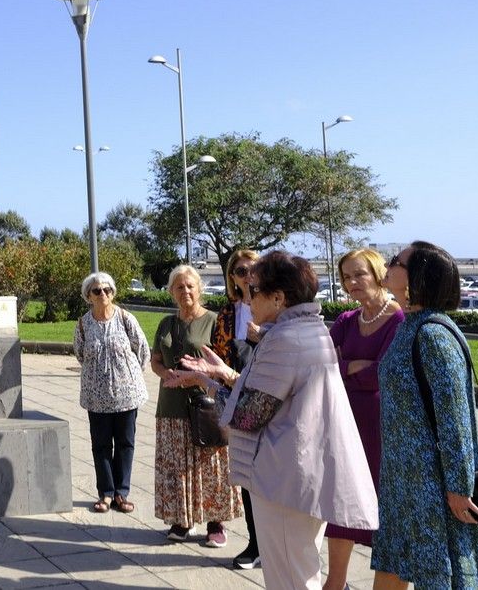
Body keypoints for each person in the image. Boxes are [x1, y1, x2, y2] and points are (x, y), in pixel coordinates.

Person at [176, 251, 377, 590]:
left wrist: (210, 386)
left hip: (284, 479)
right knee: (301, 570)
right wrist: (216, 378)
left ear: (279, 297)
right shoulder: (309, 330)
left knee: (290, 579)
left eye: (253, 289)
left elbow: (249, 415)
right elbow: (267, 396)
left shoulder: (285, 340)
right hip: (298, 474)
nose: (246, 296)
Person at [371, 242, 478, 589]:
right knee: (393, 565)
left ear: (418, 278)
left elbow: (454, 419)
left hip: (431, 485)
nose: (389, 264)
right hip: (403, 480)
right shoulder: (409, 325)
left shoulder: (433, 334)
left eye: (397, 261)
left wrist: (458, 487)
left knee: (441, 576)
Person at [323, 248, 404, 590]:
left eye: (359, 274)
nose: (352, 282)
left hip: (382, 431)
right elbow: (321, 366)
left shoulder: (400, 320)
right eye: (346, 277)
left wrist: (349, 369)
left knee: (381, 509)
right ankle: (335, 582)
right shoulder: (344, 321)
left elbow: (384, 375)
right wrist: (350, 368)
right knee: (340, 505)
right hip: (344, 425)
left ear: (377, 273)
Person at [149, 264, 242, 547]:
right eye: (179, 286)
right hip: (171, 405)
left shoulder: (214, 321)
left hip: (206, 403)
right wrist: (165, 373)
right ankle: (182, 519)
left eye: (190, 285)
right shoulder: (167, 323)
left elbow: (225, 363)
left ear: (199, 288)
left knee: (211, 465)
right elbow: (155, 359)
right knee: (177, 466)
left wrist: (198, 377)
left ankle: (216, 522)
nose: (185, 291)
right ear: (171, 292)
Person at [72, 272, 150, 515]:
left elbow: (143, 350)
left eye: (107, 290)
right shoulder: (83, 324)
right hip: (97, 396)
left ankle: (121, 492)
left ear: (113, 293)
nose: (103, 294)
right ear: (88, 296)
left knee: (126, 444)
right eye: (97, 291)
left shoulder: (126, 318)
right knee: (101, 445)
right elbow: (80, 354)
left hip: (127, 394)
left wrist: (129, 375)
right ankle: (106, 493)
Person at [209, 249, 263, 569]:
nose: (248, 276)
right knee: (245, 476)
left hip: (271, 402)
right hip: (237, 402)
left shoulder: (274, 307)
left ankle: (275, 543)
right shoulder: (227, 314)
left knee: (270, 477)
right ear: (232, 277)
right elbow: (218, 355)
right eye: (241, 271)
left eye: (253, 269)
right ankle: (256, 544)